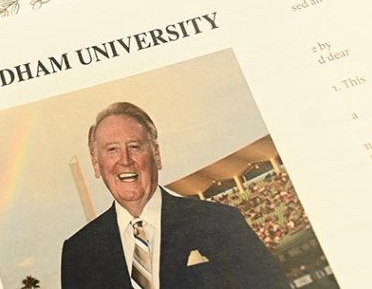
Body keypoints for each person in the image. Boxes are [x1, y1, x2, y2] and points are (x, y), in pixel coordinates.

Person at [61, 102, 289, 288]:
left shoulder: (219, 222)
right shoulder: (78, 253)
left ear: (156, 155)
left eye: (134, 146)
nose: (125, 160)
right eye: (111, 150)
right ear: (96, 165)